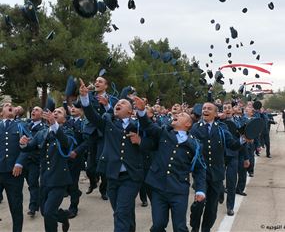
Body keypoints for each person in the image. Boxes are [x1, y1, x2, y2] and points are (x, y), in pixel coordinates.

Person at [79, 78, 146, 232]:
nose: (118, 105)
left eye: (123, 104)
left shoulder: (138, 126)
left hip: (131, 177)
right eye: (117, 104)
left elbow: (151, 136)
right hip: (113, 176)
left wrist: (141, 139)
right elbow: (92, 116)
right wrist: (84, 98)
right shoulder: (109, 122)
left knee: (121, 213)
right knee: (122, 212)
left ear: (130, 111)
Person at [134, 96, 206, 232]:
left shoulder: (195, 145)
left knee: (180, 227)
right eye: (178, 114)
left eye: (183, 115)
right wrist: (142, 111)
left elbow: (200, 169)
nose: (178, 115)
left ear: (188, 124)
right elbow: (148, 126)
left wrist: (200, 189)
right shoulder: (164, 133)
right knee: (158, 226)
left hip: (178, 190)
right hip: (158, 187)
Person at [189, 102, 251, 232]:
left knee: (212, 208)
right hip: (201, 173)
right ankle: (194, 228)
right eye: (204, 108)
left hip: (217, 174)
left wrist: (243, 139)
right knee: (199, 204)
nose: (205, 110)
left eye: (209, 108)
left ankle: (206, 229)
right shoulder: (195, 128)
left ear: (216, 114)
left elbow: (233, 145)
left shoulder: (222, 129)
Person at [20, 107, 75, 232]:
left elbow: (66, 143)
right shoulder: (42, 133)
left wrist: (55, 125)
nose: (55, 113)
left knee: (49, 212)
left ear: (64, 120)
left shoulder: (68, 132)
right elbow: (29, 147)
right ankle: (63, 216)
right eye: (54, 111)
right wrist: (23, 143)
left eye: (59, 112)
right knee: (45, 212)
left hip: (59, 180)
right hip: (44, 179)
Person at [83, 76, 118, 199]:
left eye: (100, 81)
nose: (97, 83)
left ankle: (104, 189)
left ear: (106, 86)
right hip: (92, 133)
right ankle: (93, 182)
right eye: (96, 81)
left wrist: (108, 105)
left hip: (105, 134)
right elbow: (78, 104)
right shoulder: (89, 95)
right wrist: (83, 94)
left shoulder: (113, 99)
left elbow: (117, 114)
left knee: (102, 163)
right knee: (89, 167)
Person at [0, 102, 27, 232]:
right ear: (1, 113)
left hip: (14, 174)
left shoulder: (21, 126)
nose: (9, 105)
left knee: (16, 207)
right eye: (6, 105)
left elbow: (30, 146)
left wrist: (20, 162)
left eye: (11, 104)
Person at [65, 101, 88, 218]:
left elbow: (87, 141)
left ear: (82, 111)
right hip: (64, 157)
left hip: (76, 157)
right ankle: (76, 193)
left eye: (76, 107)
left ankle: (73, 207)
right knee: (66, 182)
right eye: (72, 107)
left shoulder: (84, 124)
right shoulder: (66, 122)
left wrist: (77, 151)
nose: (73, 109)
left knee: (73, 182)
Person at [24, 106, 47, 217]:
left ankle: (33, 207)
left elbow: (41, 144)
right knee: (27, 184)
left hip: (34, 160)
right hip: (23, 160)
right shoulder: (26, 126)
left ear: (42, 115)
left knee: (33, 183)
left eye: (36, 110)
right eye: (32, 109)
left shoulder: (44, 128)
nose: (33, 111)